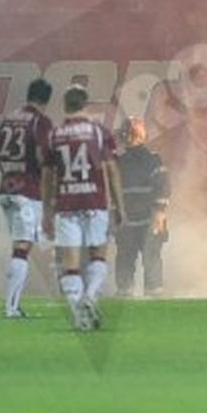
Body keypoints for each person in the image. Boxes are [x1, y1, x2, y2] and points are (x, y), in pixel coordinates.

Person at [41, 84, 126, 331]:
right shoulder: (99, 132)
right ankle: (90, 297)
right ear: (86, 106)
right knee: (99, 256)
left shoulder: (55, 136)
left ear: (65, 106)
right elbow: (110, 169)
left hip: (66, 205)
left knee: (70, 265)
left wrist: (47, 211)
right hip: (95, 202)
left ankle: (79, 313)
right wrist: (119, 205)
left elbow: (47, 177)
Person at [0, 78, 54, 319]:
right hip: (27, 192)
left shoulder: (10, 119)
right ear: (46, 100)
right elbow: (44, 156)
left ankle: (12, 305)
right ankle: (11, 307)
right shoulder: (41, 121)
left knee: (19, 245)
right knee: (22, 248)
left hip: (6, 189)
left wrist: (8, 173)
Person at [113, 117, 171, 298]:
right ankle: (132, 293)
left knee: (146, 259)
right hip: (131, 221)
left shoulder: (150, 160)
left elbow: (162, 188)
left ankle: (148, 294)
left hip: (145, 220)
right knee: (131, 260)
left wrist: (159, 215)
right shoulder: (121, 162)